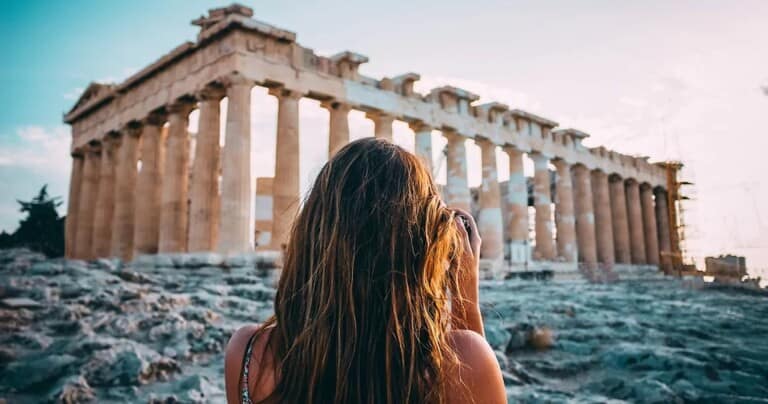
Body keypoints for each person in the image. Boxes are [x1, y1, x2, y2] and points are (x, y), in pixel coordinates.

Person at [224, 137, 506, 404]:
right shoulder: (464, 359)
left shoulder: (248, 353)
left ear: (312, 231)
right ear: (423, 243)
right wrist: (464, 294)